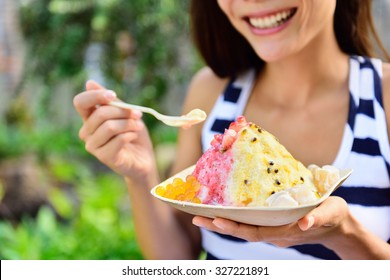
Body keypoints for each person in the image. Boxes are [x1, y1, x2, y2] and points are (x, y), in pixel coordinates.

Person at [73, 0, 390, 260]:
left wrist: (345, 235)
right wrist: (141, 175)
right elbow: (178, 258)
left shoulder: (384, 99)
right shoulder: (209, 94)